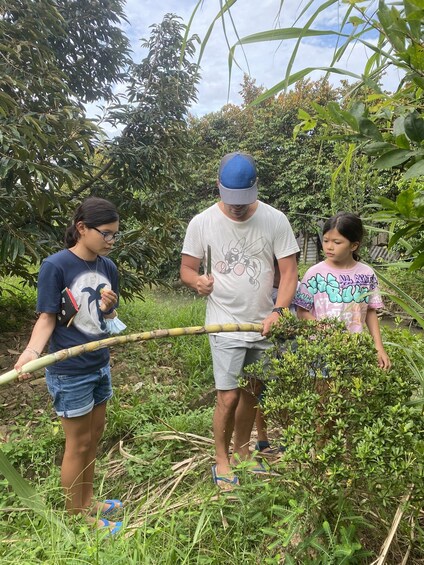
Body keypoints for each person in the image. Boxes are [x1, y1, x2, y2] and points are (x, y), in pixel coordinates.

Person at [180, 151, 299, 489]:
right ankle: (221, 460)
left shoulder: (275, 220)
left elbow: (289, 273)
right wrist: (196, 282)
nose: (236, 207)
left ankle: (243, 453)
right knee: (228, 397)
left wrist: (279, 310)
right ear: (218, 187)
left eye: (243, 200)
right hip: (224, 322)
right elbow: (187, 269)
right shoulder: (201, 222)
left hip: (263, 323)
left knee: (251, 393)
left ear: (255, 188)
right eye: (230, 199)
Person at [14, 197, 124, 534]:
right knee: (76, 443)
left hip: (99, 363)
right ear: (81, 229)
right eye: (106, 234)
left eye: (115, 236)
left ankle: (87, 500)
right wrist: (32, 352)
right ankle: (76, 516)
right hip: (70, 371)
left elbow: (108, 319)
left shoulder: (108, 268)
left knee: (94, 437)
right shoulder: (56, 266)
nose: (110, 241)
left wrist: (109, 308)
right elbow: (48, 317)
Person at [294, 212, 391, 370]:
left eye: (337, 242)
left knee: (350, 394)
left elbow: (370, 311)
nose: (329, 247)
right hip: (320, 350)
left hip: (353, 350)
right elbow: (301, 312)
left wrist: (379, 347)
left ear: (354, 245)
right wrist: (324, 330)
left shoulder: (366, 274)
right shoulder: (314, 274)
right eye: (326, 241)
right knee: (321, 393)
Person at [255, 254, 300, 456]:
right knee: (261, 395)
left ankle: (288, 438)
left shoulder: (298, 288)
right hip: (265, 349)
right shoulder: (260, 289)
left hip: (292, 351)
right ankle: (262, 440)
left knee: (289, 394)